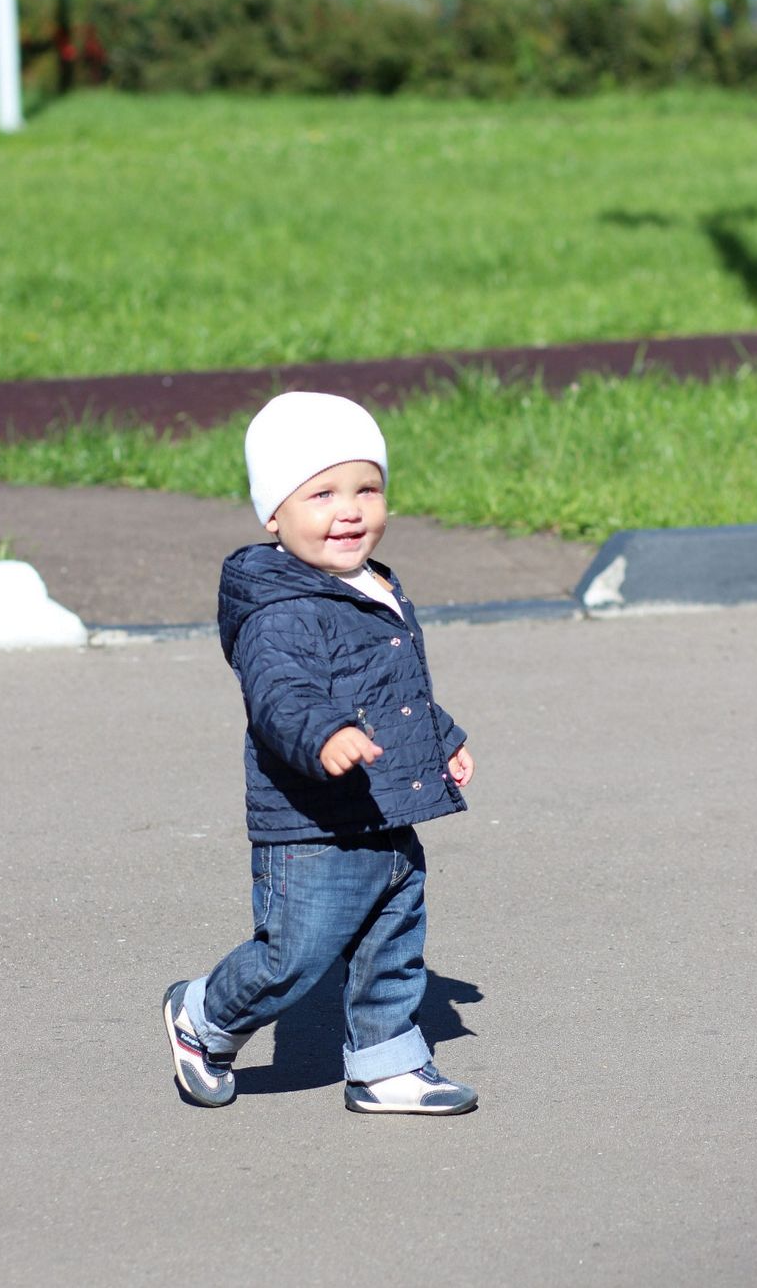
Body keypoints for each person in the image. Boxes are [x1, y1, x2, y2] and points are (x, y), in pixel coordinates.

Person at [163, 391, 478, 1116]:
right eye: (322, 493)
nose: (351, 510)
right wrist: (324, 734)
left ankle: (386, 1064)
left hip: (384, 806)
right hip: (309, 827)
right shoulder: (278, 607)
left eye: (368, 488)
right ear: (274, 513)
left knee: (392, 944)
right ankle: (203, 1015)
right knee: (292, 958)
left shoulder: (369, 583)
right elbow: (282, 694)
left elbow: (393, 686)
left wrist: (443, 738)